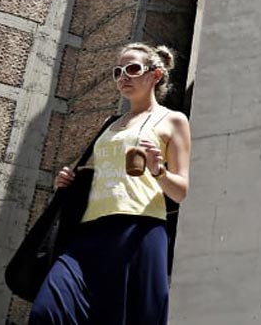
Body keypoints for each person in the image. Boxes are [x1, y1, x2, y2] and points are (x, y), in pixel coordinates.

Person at [29, 43, 191, 325]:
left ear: (155, 75)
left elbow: (181, 192)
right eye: (118, 72)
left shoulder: (173, 120)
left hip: (139, 231)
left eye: (132, 69)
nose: (123, 77)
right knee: (47, 311)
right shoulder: (110, 123)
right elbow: (96, 176)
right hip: (89, 233)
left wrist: (158, 171)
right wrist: (67, 181)